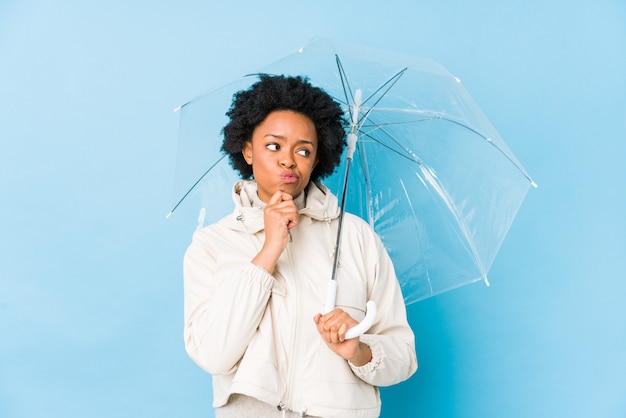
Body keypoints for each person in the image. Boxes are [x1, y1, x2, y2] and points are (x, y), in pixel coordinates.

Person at [183, 74, 417, 418]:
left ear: (317, 158)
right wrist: (269, 251)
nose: (289, 160)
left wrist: (358, 349)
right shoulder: (212, 244)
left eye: (303, 150)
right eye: (274, 146)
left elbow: (403, 357)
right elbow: (212, 354)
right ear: (247, 149)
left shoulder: (356, 237)